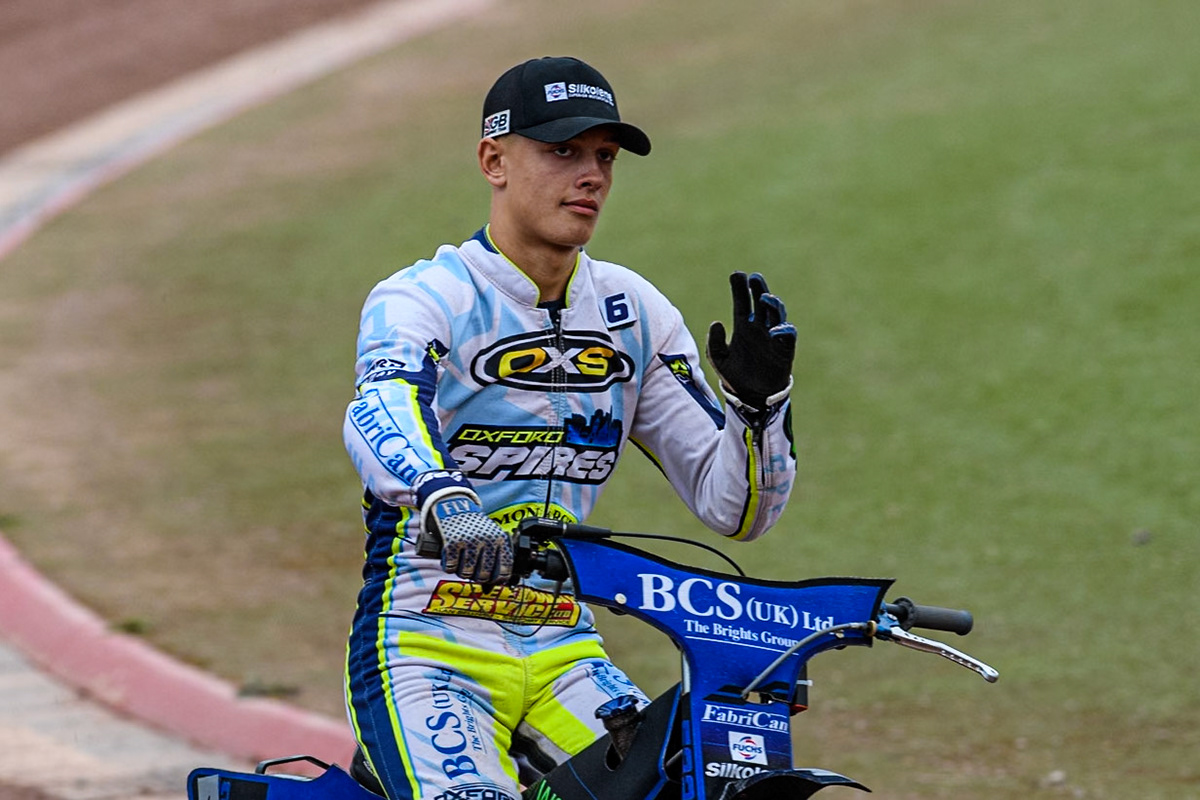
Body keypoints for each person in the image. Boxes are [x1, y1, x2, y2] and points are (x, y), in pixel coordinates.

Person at [342, 56, 798, 800]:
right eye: (562, 152)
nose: (590, 175)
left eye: (604, 158)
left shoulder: (634, 311)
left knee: (693, 788)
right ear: (493, 160)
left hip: (563, 646)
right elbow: (379, 407)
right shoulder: (425, 295)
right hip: (426, 642)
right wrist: (445, 499)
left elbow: (737, 511)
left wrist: (759, 409)